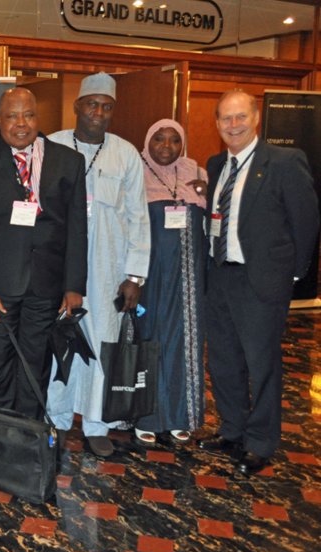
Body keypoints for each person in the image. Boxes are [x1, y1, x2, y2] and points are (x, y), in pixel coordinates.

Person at [197, 90, 319, 476]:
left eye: (240, 117)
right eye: (225, 119)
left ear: (256, 119)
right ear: (216, 124)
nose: (233, 125)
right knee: (224, 362)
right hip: (219, 278)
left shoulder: (283, 162)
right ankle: (231, 431)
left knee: (261, 365)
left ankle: (261, 442)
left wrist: (295, 274)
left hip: (261, 283)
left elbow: (306, 221)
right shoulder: (216, 164)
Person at [0, 87, 87, 422]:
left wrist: (74, 285)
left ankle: (27, 435)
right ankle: (0, 434)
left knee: (36, 362)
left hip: (47, 284)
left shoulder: (68, 161)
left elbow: (76, 228)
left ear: (37, 117)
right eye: (12, 116)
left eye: (28, 114)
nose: (21, 123)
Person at [46, 72, 150, 458]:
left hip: (109, 265)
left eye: (107, 107)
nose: (98, 113)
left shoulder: (126, 154)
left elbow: (139, 217)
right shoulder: (53, 145)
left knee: (103, 342)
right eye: (92, 104)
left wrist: (134, 275)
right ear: (77, 106)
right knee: (60, 343)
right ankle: (55, 418)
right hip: (59, 265)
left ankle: (95, 424)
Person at [133, 119, 208, 445]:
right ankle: (144, 415)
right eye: (159, 139)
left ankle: (180, 415)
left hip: (188, 281)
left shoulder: (199, 175)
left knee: (184, 344)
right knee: (147, 340)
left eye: (174, 140)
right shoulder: (135, 175)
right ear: (148, 142)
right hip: (147, 277)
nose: (166, 146)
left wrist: (208, 193)